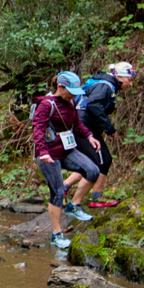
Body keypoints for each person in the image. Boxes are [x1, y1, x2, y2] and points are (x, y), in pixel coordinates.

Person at [32, 72, 101, 249]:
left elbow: (77, 124)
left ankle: (74, 205)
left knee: (92, 170)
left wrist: (89, 136)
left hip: (66, 150)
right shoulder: (46, 105)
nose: (74, 94)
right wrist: (42, 152)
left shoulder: (70, 103)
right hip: (48, 155)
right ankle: (56, 234)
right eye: (70, 91)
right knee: (57, 193)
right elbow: (38, 129)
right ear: (60, 88)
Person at [63, 62, 136, 208]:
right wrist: (109, 129)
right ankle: (78, 202)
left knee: (104, 160)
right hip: (83, 129)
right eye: (130, 80)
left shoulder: (106, 84)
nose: (131, 84)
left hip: (88, 129)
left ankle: (68, 187)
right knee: (98, 163)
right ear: (120, 76)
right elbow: (93, 104)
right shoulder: (106, 86)